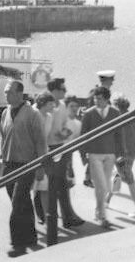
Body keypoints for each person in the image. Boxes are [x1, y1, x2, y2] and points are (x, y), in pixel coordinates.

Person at [0, 81, 47, 257]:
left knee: (18, 203)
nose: (6, 95)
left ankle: (18, 244)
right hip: (9, 164)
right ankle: (30, 236)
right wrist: (2, 159)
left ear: (20, 93)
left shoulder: (33, 114)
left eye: (9, 92)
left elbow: (41, 142)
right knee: (22, 201)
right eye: (5, 92)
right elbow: (3, 136)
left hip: (28, 164)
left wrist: (41, 166)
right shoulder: (5, 112)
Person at [80, 86, 125, 228]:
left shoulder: (115, 112)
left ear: (106, 99)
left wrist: (120, 154)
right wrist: (83, 155)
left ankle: (98, 212)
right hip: (94, 154)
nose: (96, 101)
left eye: (99, 99)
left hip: (110, 154)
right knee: (102, 185)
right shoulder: (88, 114)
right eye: (95, 99)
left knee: (103, 186)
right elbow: (83, 135)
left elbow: (119, 134)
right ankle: (103, 216)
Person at [45, 78, 84, 227]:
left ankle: (68, 217)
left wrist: (65, 133)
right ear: (54, 90)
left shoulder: (61, 106)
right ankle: (46, 216)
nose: (65, 92)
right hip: (46, 149)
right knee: (45, 185)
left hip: (59, 148)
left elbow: (65, 125)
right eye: (63, 89)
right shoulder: (44, 103)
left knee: (61, 183)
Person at [82, 69, 116, 188]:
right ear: (105, 80)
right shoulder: (96, 94)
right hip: (96, 130)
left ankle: (90, 177)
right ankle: (89, 178)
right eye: (111, 80)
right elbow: (92, 112)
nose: (112, 82)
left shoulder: (105, 93)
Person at [107, 96, 135, 217]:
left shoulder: (119, 118)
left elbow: (117, 137)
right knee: (118, 175)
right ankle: (106, 201)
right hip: (130, 152)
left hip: (121, 154)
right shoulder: (131, 116)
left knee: (129, 180)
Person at [31, 91, 55, 225]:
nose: (53, 106)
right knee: (36, 186)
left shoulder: (50, 117)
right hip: (31, 154)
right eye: (51, 104)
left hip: (43, 153)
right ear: (43, 104)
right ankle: (41, 214)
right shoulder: (33, 113)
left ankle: (45, 216)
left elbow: (47, 137)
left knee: (43, 185)